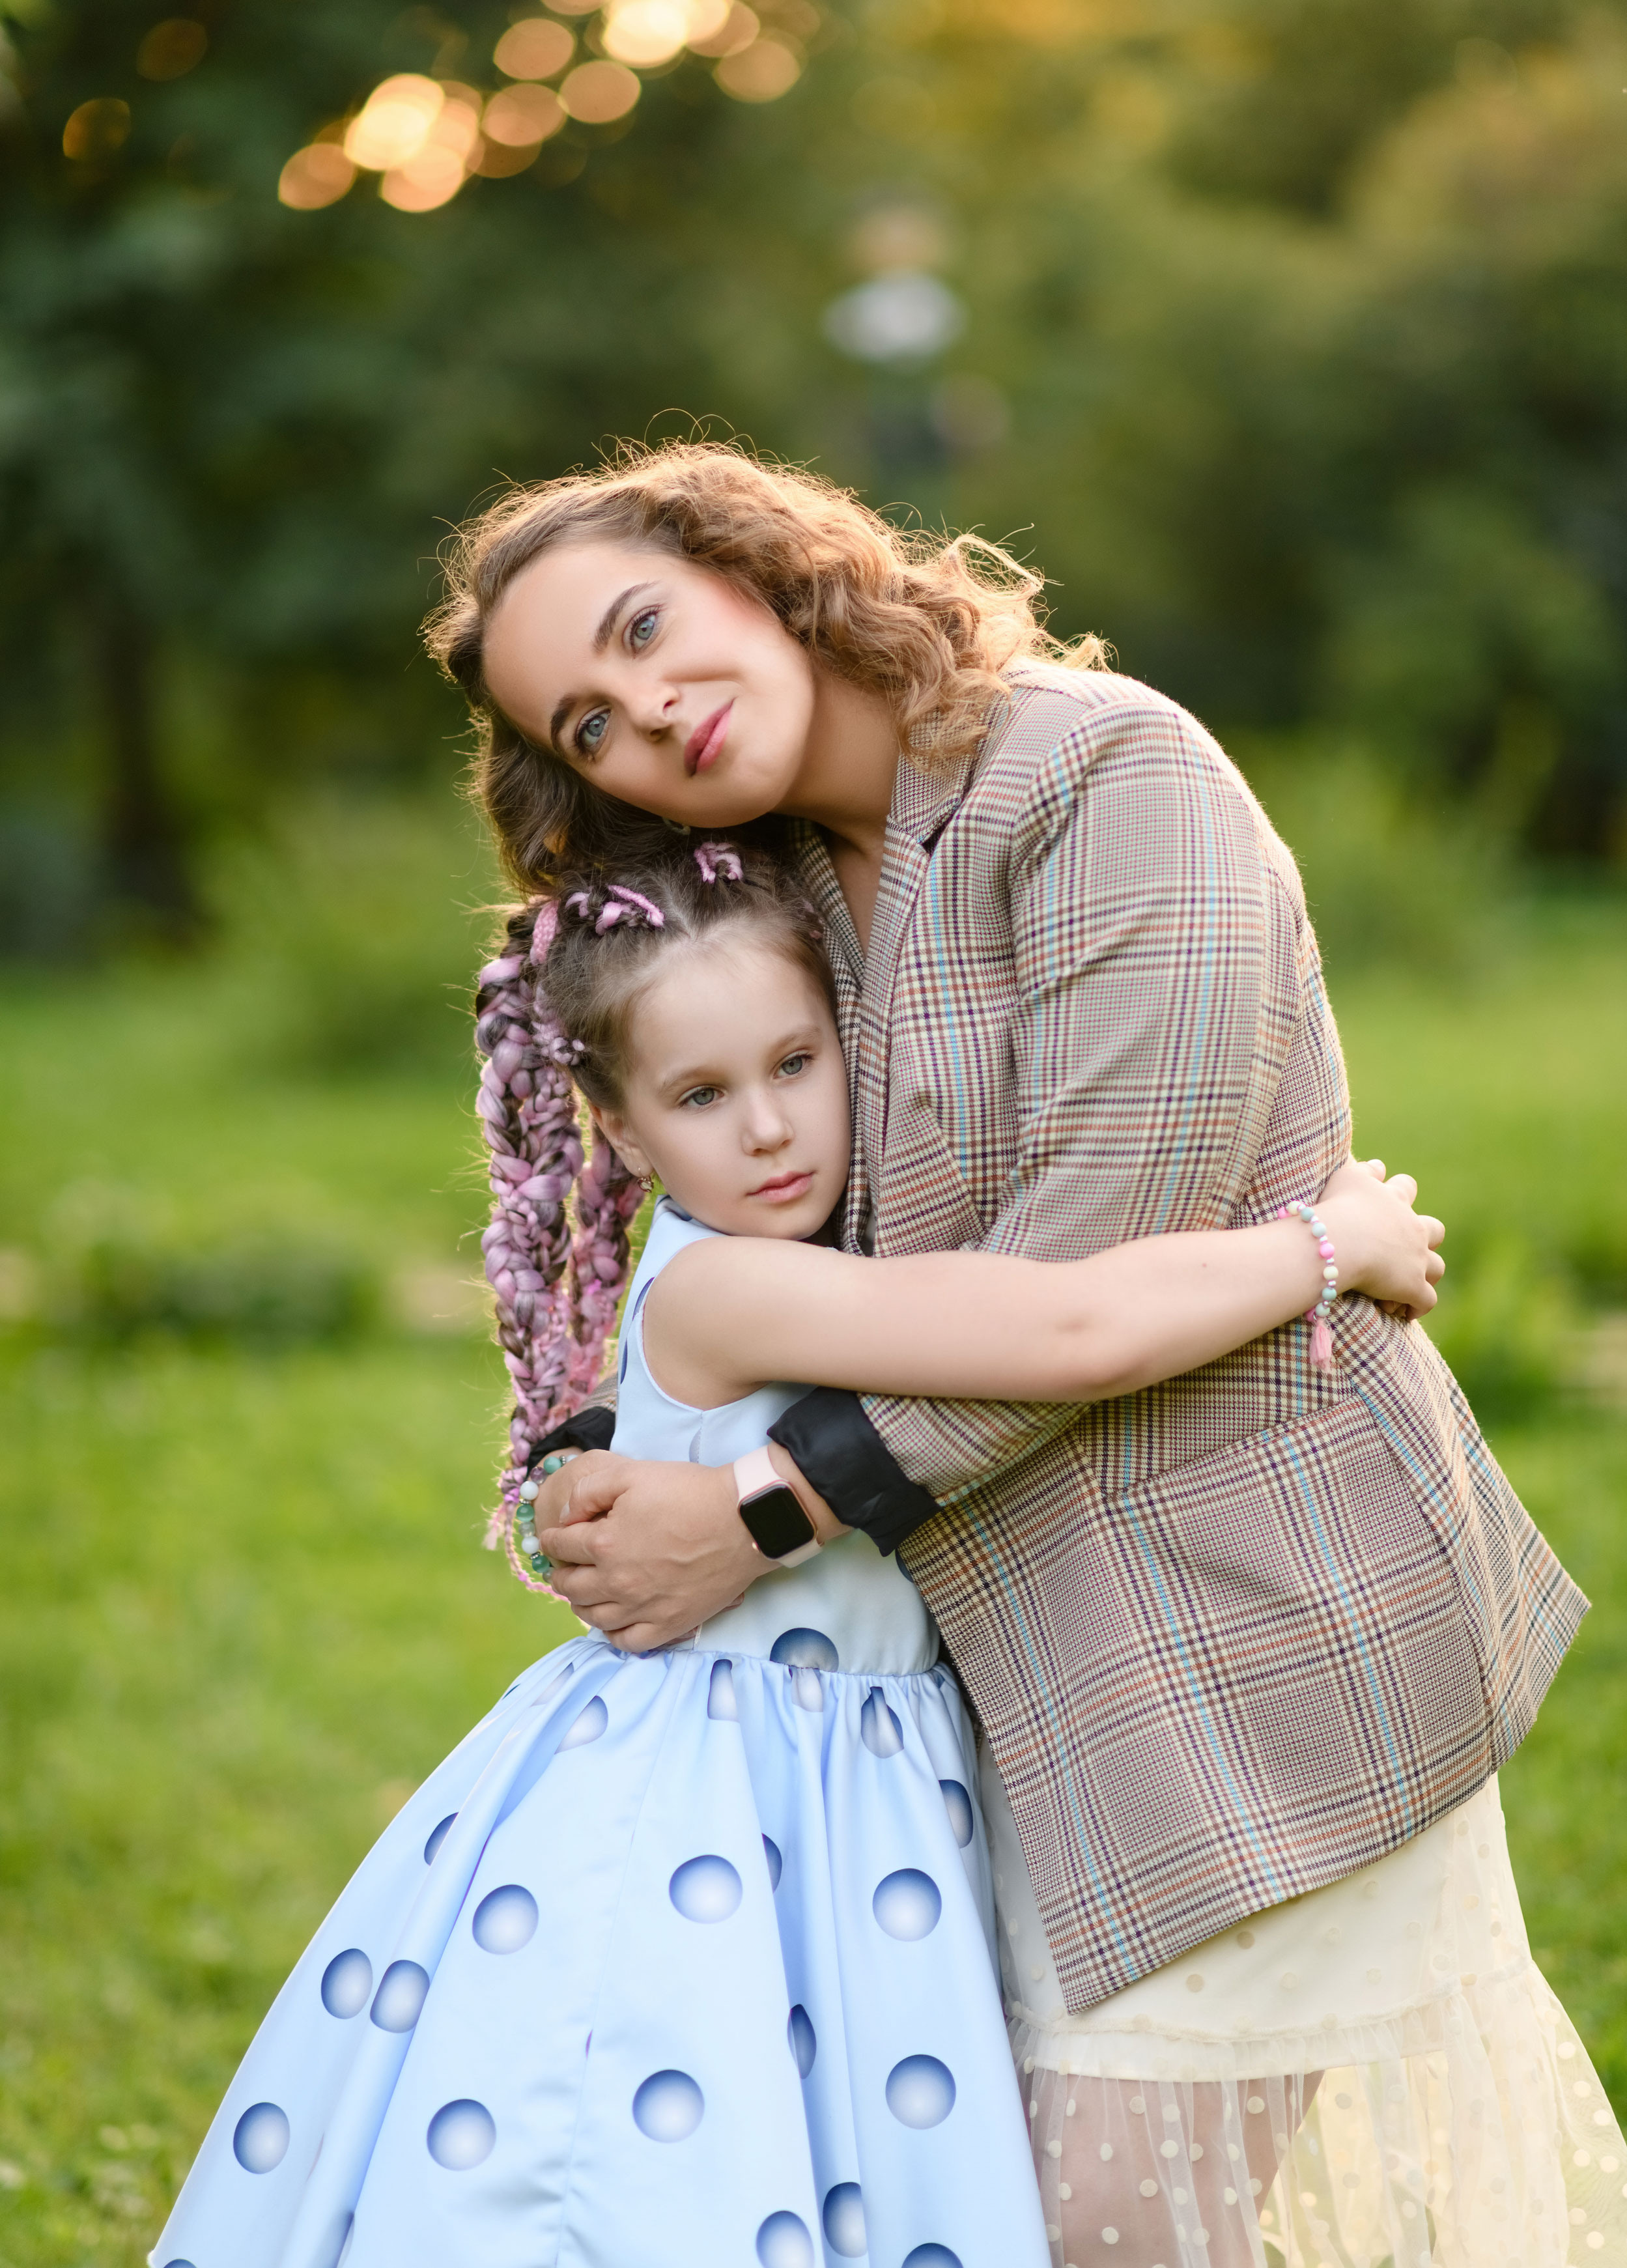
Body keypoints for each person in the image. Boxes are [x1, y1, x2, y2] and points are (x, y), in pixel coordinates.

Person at [425, 440, 1626, 2268]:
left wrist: (747, 1512)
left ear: (755, 560)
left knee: (1110, 2233)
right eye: (584, 723)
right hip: (993, 1696)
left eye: (646, 628)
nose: (646, 710)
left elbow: (1083, 1294)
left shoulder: (1100, 776)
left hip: (1254, 1627)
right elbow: (753, 1238)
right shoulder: (790, 903)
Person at [150, 842, 1442, 2268]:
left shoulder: (789, 1261)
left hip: (856, 1781)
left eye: (794, 1062)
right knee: (674, 2155)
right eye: (702, 1095)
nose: (768, 1128)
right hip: (729, 1795)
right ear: (624, 1127)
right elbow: (1062, 1336)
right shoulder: (728, 1287)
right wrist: (1329, 1241)